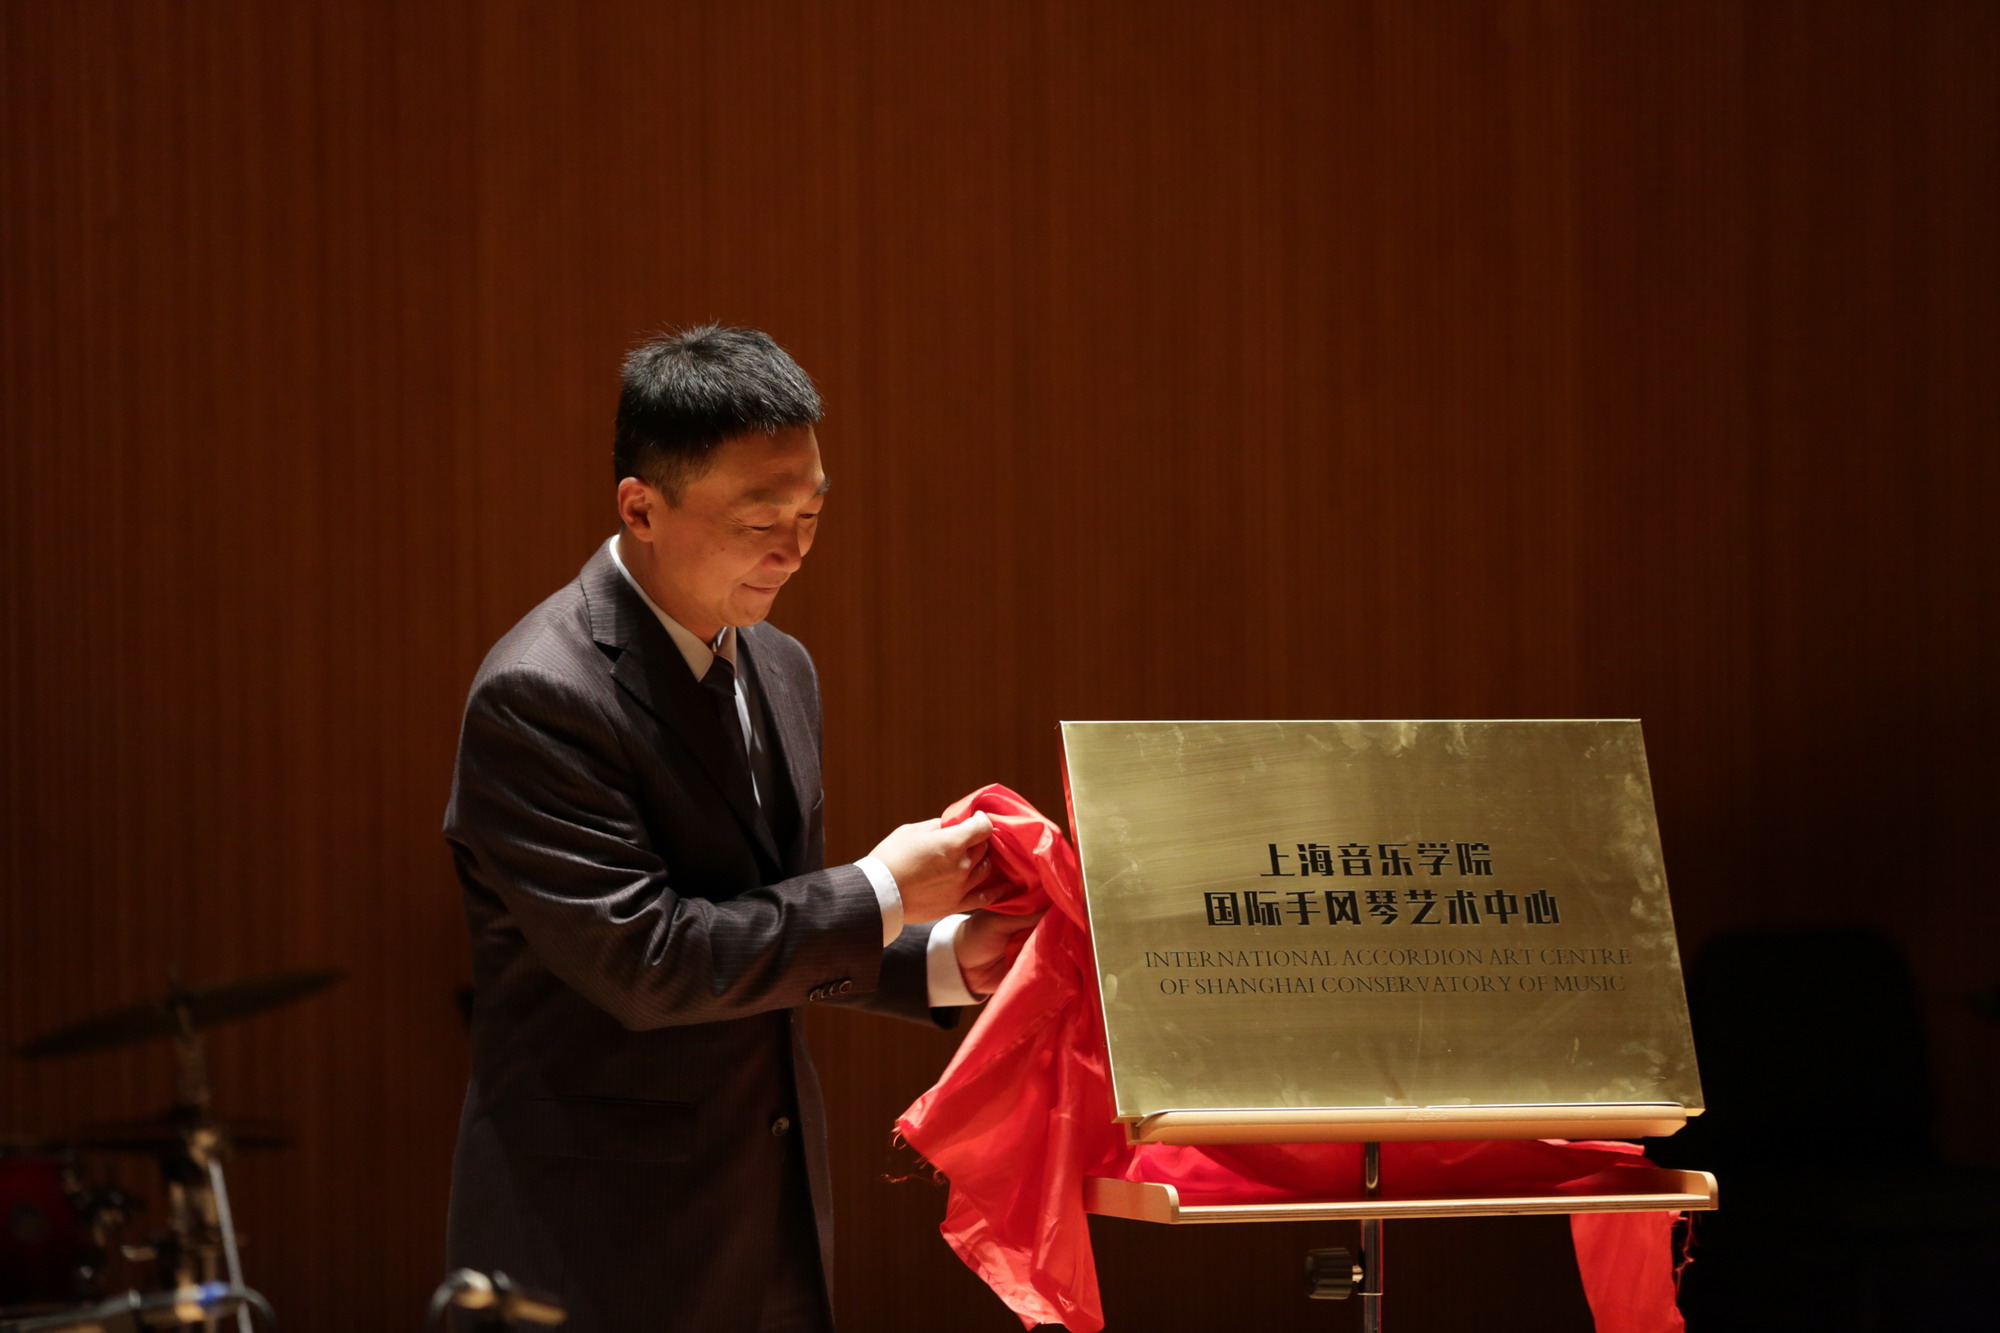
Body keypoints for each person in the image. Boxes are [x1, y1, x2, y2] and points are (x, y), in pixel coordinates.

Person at [442, 325, 1038, 1333]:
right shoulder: (540, 693)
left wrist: (941, 959)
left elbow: (757, 921)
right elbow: (649, 958)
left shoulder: (780, 664)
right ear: (641, 507)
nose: (793, 549)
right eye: (760, 519)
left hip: (769, 1211)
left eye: (810, 513)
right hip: (596, 1233)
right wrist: (882, 888)